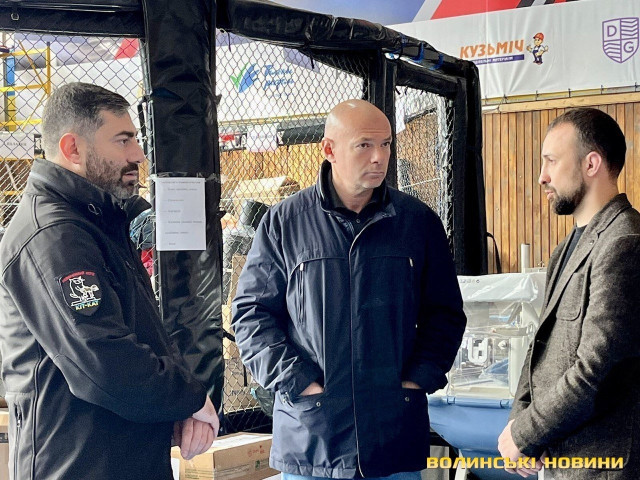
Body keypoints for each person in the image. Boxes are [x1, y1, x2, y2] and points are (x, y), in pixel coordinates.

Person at [232, 99, 466, 479]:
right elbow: (251, 315)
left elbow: (445, 313)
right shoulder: (285, 223)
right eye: (364, 145)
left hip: (392, 438)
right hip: (312, 439)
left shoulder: (418, 223)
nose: (379, 157)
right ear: (329, 150)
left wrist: (416, 379)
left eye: (386, 144)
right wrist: (298, 382)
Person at [0, 82, 219, 479]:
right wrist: (189, 398)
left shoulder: (99, 221)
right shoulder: (55, 235)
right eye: (122, 140)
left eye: (135, 139)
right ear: (73, 149)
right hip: (79, 465)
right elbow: (104, 361)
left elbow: (137, 333)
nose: (138, 155)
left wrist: (175, 406)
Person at [498, 108, 640, 479]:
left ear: (591, 164)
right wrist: (520, 423)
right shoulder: (566, 249)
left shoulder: (625, 242)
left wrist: (526, 433)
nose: (542, 176)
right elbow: (541, 348)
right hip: (560, 459)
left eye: (551, 161)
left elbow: (598, 369)